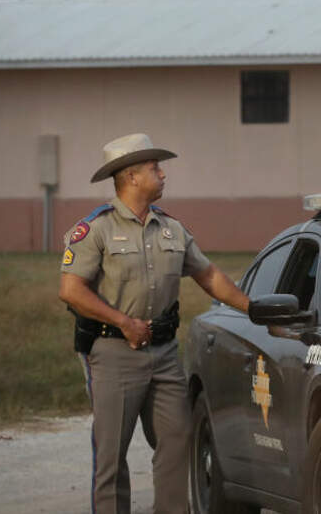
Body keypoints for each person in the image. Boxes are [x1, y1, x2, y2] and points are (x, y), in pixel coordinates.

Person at [58, 133, 250, 514]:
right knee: (111, 454)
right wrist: (123, 322)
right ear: (131, 176)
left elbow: (209, 276)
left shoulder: (171, 229)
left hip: (163, 355)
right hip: (113, 354)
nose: (163, 174)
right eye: (154, 168)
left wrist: (253, 308)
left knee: (177, 440)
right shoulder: (96, 229)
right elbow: (71, 290)